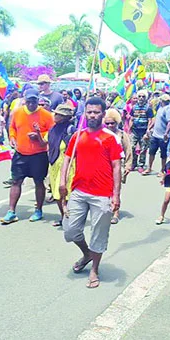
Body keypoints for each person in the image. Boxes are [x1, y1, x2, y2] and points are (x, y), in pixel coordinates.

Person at [60, 97, 123, 289]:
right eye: (89, 112)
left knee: (99, 234)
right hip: (79, 190)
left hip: (102, 194)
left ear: (103, 114)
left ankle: (94, 268)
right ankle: (86, 253)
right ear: (84, 113)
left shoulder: (111, 138)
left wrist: (116, 195)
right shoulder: (77, 136)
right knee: (70, 230)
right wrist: (62, 182)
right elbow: (67, 160)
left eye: (96, 112)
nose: (92, 115)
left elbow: (116, 166)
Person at [1, 89, 55, 224]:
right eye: (29, 101)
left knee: (39, 182)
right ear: (24, 100)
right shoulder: (17, 112)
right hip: (20, 153)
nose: (31, 104)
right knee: (16, 181)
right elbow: (12, 127)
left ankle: (39, 210)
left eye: (34, 101)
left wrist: (39, 136)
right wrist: (12, 138)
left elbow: (52, 133)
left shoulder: (47, 115)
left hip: (39, 154)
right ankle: (11, 211)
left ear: (39, 100)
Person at [48, 104, 76, 227]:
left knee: (65, 192)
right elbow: (45, 141)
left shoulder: (71, 130)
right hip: (54, 164)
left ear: (65, 117)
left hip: (68, 165)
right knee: (56, 193)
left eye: (58, 114)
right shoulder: (53, 129)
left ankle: (71, 218)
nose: (55, 116)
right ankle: (63, 217)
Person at [104, 109, 131, 225]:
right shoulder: (102, 133)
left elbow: (128, 150)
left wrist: (128, 166)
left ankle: (115, 213)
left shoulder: (122, 135)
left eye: (112, 123)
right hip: (104, 165)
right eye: (108, 123)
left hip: (118, 165)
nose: (110, 125)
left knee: (116, 189)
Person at [146, 94, 170, 176]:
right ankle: (149, 168)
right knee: (151, 152)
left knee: (163, 153)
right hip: (155, 134)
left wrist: (166, 133)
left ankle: (162, 170)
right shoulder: (160, 108)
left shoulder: (168, 109)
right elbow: (156, 119)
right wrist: (149, 128)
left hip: (163, 136)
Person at [129, 90, 154, 172]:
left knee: (143, 148)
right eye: (139, 96)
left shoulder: (148, 108)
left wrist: (148, 130)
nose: (141, 98)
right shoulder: (134, 107)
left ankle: (141, 164)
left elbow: (151, 120)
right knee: (132, 147)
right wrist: (129, 128)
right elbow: (131, 118)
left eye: (143, 97)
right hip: (135, 130)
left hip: (143, 131)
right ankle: (133, 163)